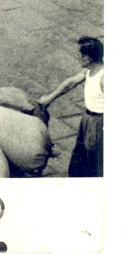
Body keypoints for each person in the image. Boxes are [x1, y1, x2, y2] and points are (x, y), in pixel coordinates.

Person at [37, 37, 104, 177]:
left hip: (99, 122)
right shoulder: (89, 71)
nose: (77, 58)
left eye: (79, 55)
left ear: (88, 59)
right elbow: (70, 83)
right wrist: (49, 99)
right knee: (80, 157)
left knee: (96, 160)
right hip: (87, 119)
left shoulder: (104, 77)